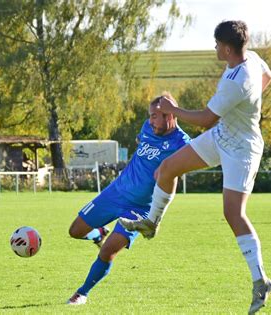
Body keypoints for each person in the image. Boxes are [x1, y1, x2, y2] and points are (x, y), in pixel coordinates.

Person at [119, 20, 271, 314]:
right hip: (221, 137)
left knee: (233, 213)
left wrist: (172, 110)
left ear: (227, 48)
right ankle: (151, 224)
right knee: (166, 169)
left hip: (242, 149)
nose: (214, 47)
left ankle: (260, 280)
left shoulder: (236, 81)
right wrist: (249, 108)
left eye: (216, 44)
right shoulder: (252, 59)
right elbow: (268, 76)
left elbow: (205, 119)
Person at [66, 93, 191, 305]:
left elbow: (176, 177)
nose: (150, 121)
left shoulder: (182, 143)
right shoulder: (147, 128)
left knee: (108, 251)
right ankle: (98, 234)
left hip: (140, 209)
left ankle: (82, 292)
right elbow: (142, 142)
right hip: (115, 192)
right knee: (75, 231)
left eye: (154, 116)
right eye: (149, 116)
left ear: (170, 115)